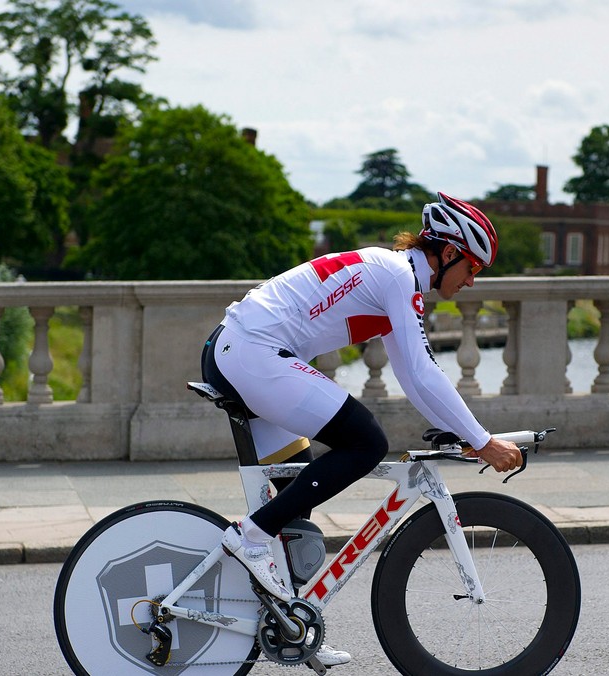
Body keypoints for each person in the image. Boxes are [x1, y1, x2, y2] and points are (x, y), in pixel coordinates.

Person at [200, 192, 523, 667]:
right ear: (449, 252)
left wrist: (464, 431)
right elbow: (423, 371)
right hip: (253, 353)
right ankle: (248, 537)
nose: (472, 281)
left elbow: (414, 375)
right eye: (472, 268)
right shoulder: (398, 276)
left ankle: (292, 626)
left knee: (295, 502)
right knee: (366, 441)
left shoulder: (394, 277)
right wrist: (481, 440)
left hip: (244, 352)